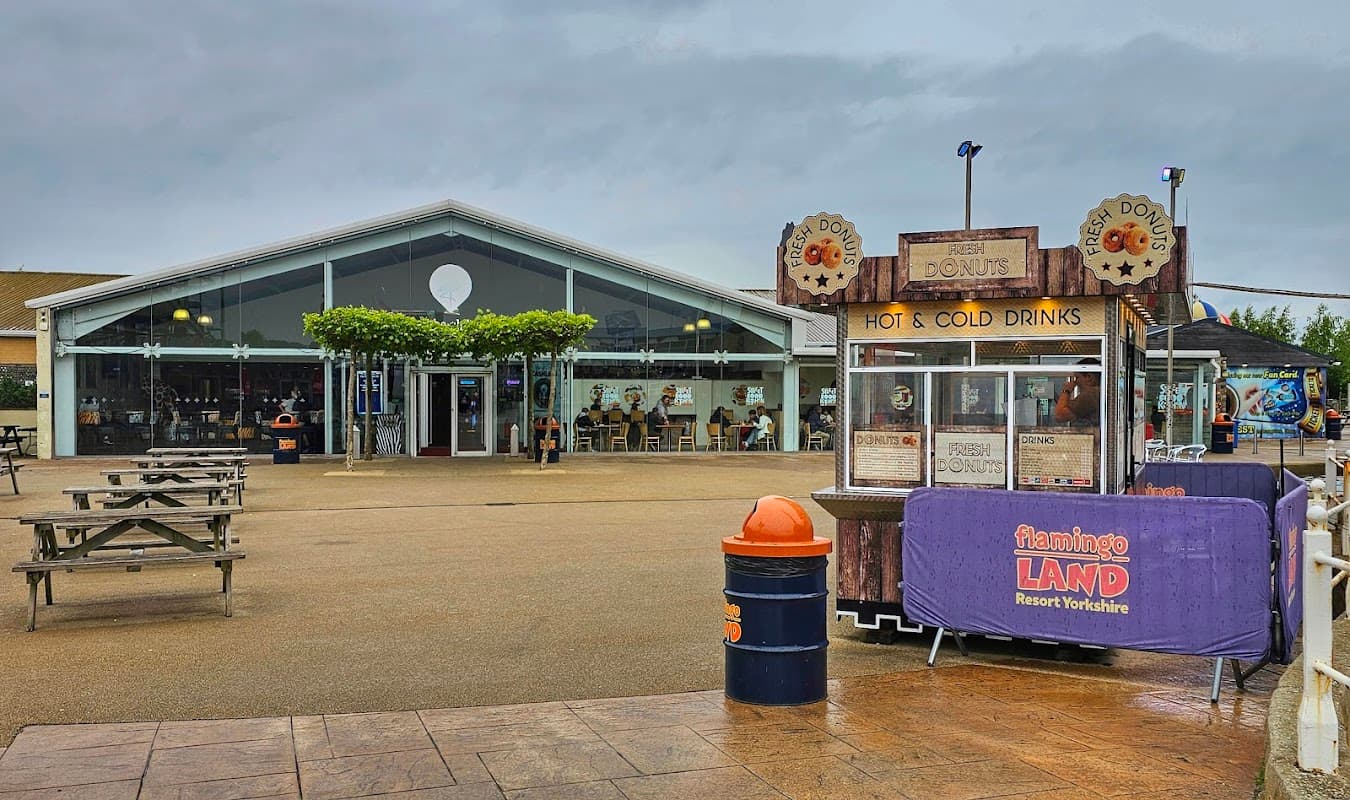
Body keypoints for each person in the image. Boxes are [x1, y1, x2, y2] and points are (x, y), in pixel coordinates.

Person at [1054, 359, 1101, 427]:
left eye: (1077, 378)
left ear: (1089, 377)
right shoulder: (1099, 392)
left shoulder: (1090, 395)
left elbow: (1059, 415)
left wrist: (1066, 391)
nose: (1075, 382)